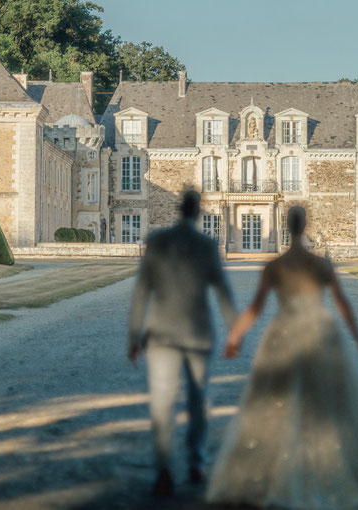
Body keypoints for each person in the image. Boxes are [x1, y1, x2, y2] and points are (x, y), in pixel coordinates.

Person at [206, 206, 358, 509]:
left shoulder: (275, 266)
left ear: (286, 225)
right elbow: (343, 304)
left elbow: (256, 309)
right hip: (322, 333)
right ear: (305, 224)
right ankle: (334, 469)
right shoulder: (320, 264)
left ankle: (277, 472)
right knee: (326, 404)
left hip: (283, 334)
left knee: (277, 403)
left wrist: (235, 336)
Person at [128, 190, 238, 497]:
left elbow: (141, 292)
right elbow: (223, 292)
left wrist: (133, 337)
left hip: (161, 335)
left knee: (162, 403)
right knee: (198, 401)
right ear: (198, 212)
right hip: (197, 334)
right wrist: (234, 331)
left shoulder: (158, 241)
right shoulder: (206, 245)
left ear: (178, 209)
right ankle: (196, 463)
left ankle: (164, 468)